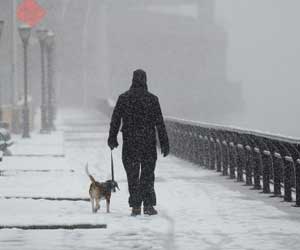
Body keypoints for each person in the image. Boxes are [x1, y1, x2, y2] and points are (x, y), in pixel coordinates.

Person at [108, 69, 169, 216]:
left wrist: (112, 138)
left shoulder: (124, 98)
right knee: (147, 174)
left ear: (133, 80)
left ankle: (135, 205)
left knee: (133, 174)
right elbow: (159, 123)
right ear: (145, 80)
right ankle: (148, 205)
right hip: (148, 142)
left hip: (130, 142)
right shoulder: (152, 99)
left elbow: (115, 120)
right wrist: (164, 142)